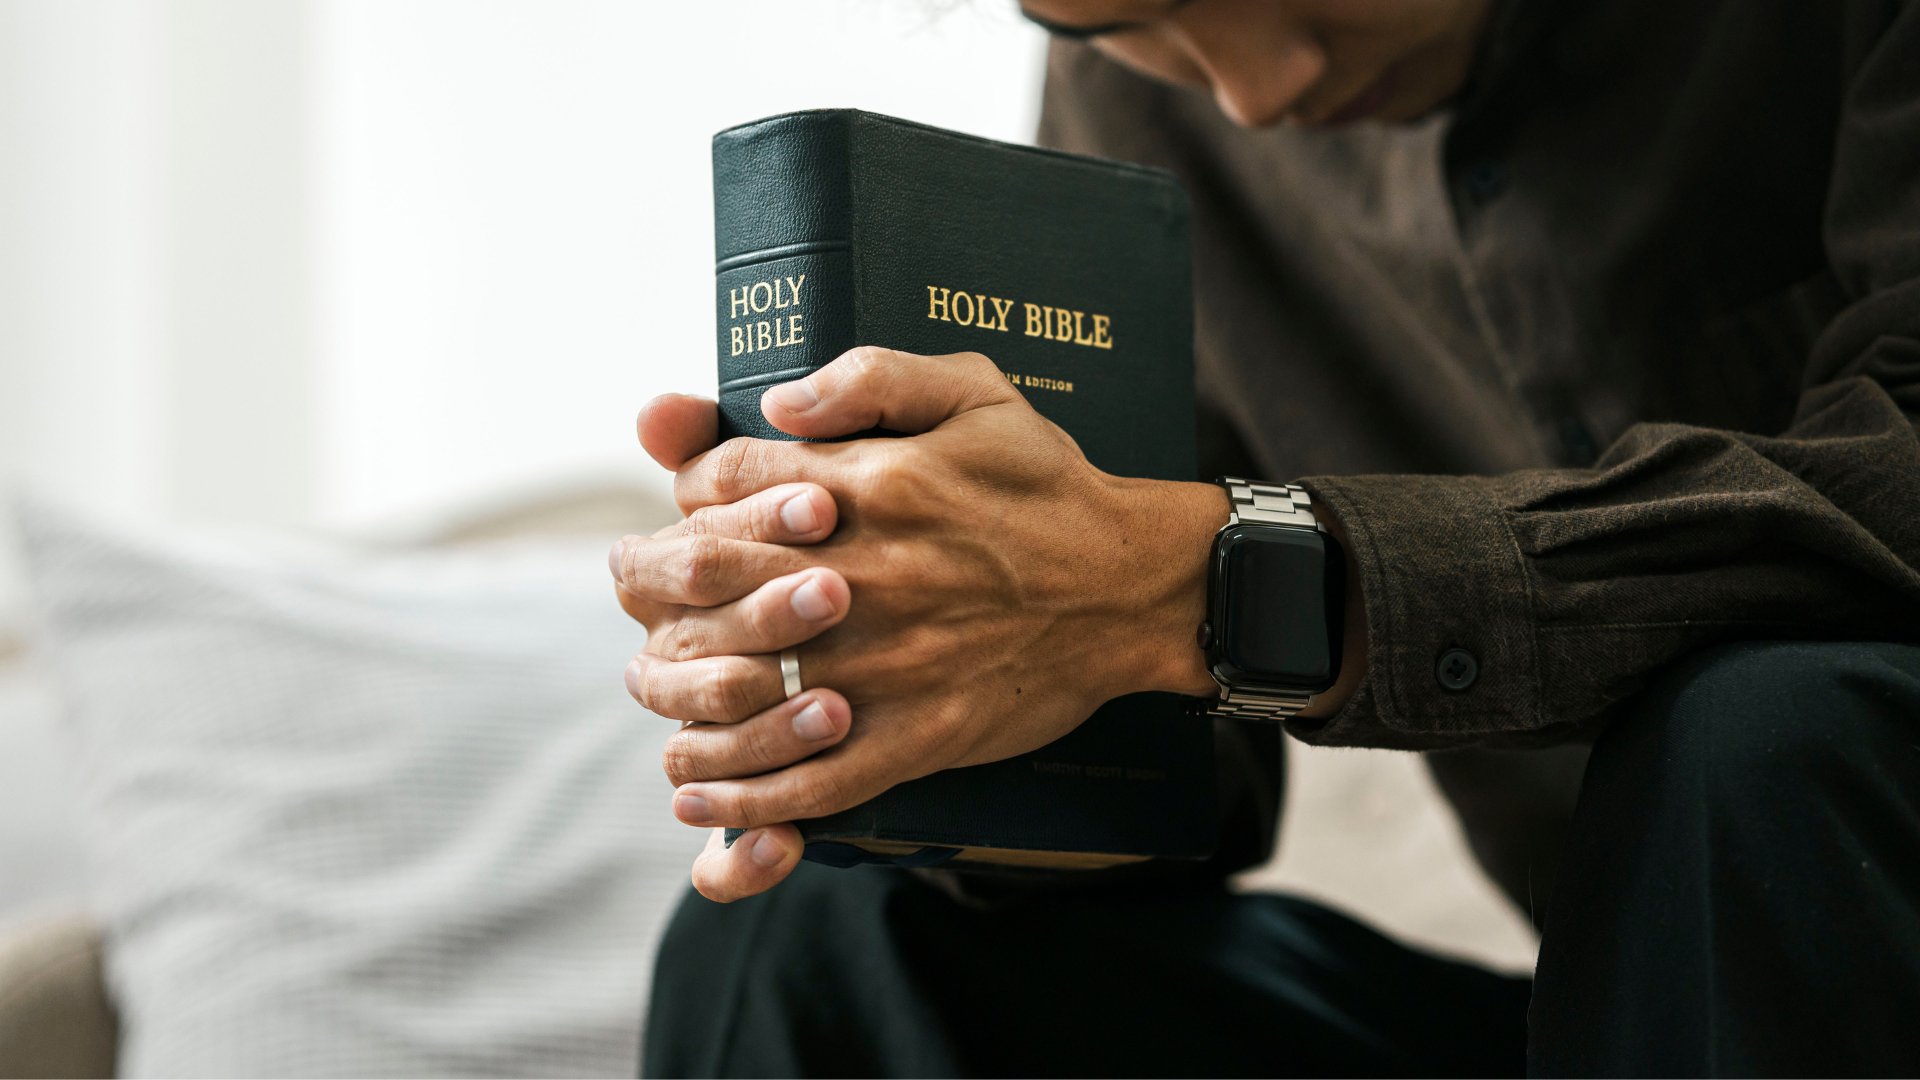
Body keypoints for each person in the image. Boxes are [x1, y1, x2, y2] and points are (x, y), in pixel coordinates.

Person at [613, 0, 1920, 1074]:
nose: (1254, 91)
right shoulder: (1135, 104)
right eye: (1123, 19)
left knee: (1764, 733)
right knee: (829, 925)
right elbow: (1182, 783)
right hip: (1588, 1031)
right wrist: (896, 700)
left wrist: (1223, 583)